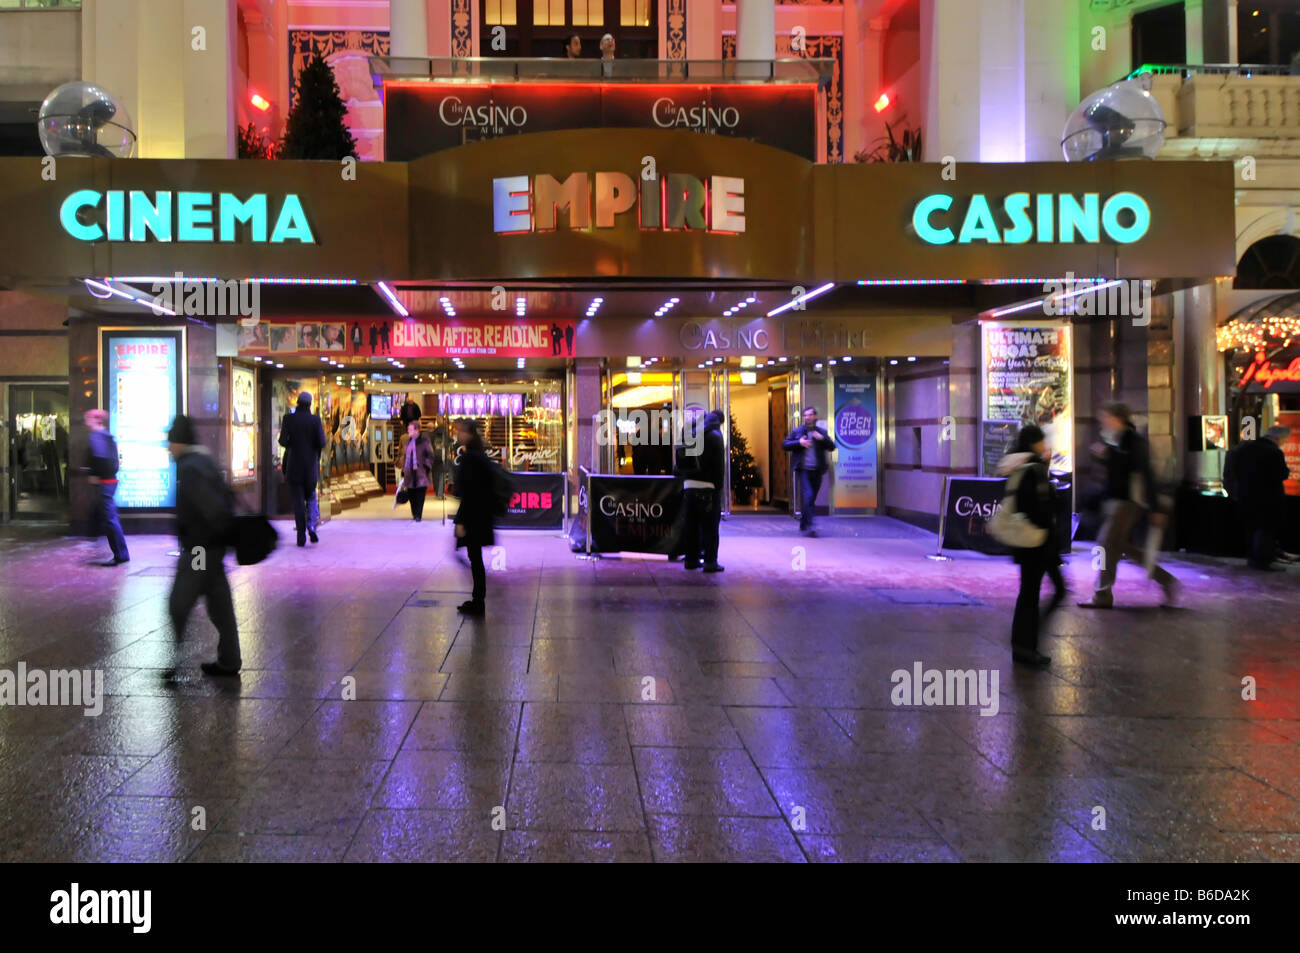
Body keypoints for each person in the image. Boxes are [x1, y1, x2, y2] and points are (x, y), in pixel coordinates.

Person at [1078, 402, 1179, 608]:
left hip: (1127, 502)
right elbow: (1117, 471)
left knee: (1106, 544)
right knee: (1119, 546)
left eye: (1106, 417)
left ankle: (1102, 595)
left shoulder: (1133, 442)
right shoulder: (1113, 439)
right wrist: (1105, 458)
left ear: (1118, 418)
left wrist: (1155, 508)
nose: (1103, 421)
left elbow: (1145, 474)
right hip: (1115, 500)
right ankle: (1165, 579)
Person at [164, 414, 240, 678]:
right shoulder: (202, 461)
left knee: (179, 602)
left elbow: (208, 508)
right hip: (212, 549)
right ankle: (230, 660)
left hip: (199, 550)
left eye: (171, 442)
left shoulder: (191, 467)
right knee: (219, 604)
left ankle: (176, 664)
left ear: (180, 443)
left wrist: (200, 544)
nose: (168, 447)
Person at [999, 425, 1067, 669]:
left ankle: (1023, 644)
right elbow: (1041, 507)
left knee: (1028, 593)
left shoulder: (1016, 465)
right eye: (1041, 440)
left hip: (1024, 541)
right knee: (1041, 593)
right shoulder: (1034, 469)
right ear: (1033, 443)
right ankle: (1026, 645)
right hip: (1038, 542)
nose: (1044, 444)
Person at [1224, 424, 1292, 571]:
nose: (1283, 443)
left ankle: (1253, 559)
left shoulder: (1245, 449)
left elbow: (1235, 470)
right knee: (1265, 529)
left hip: (1247, 494)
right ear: (1278, 438)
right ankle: (1262, 562)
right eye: (1284, 440)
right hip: (1268, 497)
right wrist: (1287, 471)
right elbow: (1281, 474)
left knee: (1252, 527)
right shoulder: (1274, 452)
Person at [452, 418, 495, 616]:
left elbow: (470, 492)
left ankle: (479, 600)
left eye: (460, 431)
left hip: (473, 517)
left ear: (469, 434)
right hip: (478, 515)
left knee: (474, 558)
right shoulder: (475, 455)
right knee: (474, 557)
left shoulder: (472, 458)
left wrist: (461, 520)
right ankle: (478, 598)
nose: (458, 435)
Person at [676, 410, 726, 572]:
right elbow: (719, 468)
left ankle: (691, 560)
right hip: (708, 488)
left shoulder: (688, 433)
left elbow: (679, 464)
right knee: (710, 528)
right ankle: (710, 562)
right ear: (719, 422)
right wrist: (718, 488)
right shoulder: (715, 436)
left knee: (691, 526)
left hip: (689, 486)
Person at [278, 391, 326, 547]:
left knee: (298, 502)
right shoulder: (315, 420)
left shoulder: (288, 419)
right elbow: (321, 442)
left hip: (294, 467)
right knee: (311, 497)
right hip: (310, 467)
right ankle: (311, 525)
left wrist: (293, 442)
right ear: (310, 404)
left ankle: (300, 536)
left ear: (298, 402)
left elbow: (283, 441)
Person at [83, 409, 129, 566]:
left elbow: (100, 460)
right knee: (111, 518)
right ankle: (121, 553)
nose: (85, 422)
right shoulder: (107, 436)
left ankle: (121, 555)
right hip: (109, 482)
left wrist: (95, 474)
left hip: (104, 483)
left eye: (88, 418)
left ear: (96, 420)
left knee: (110, 520)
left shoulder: (97, 437)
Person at [782, 406, 837, 537]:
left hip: (817, 470)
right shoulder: (798, 431)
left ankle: (803, 522)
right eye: (805, 415)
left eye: (810, 415)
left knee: (811, 498)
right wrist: (799, 442)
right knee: (808, 495)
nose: (807, 417)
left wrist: (821, 439)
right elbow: (784, 444)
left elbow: (832, 447)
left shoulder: (821, 432)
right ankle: (810, 526)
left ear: (815, 416)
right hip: (804, 470)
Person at [402, 421, 436, 522]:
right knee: (412, 496)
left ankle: (418, 515)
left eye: (411, 429)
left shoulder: (424, 441)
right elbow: (405, 457)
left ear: (417, 430)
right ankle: (415, 513)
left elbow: (430, 455)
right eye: (408, 429)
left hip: (421, 473)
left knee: (420, 495)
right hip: (410, 473)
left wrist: (426, 465)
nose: (409, 431)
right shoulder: (408, 441)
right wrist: (404, 469)